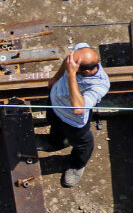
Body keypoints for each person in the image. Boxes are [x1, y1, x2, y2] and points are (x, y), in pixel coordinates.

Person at [37, 43, 110, 187]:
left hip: (73, 120)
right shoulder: (80, 50)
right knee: (55, 127)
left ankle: (77, 165)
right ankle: (55, 142)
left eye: (73, 66)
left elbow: (78, 109)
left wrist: (70, 74)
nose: (69, 64)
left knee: (82, 144)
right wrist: (56, 78)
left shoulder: (99, 85)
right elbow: (67, 60)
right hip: (55, 104)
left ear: (86, 71)